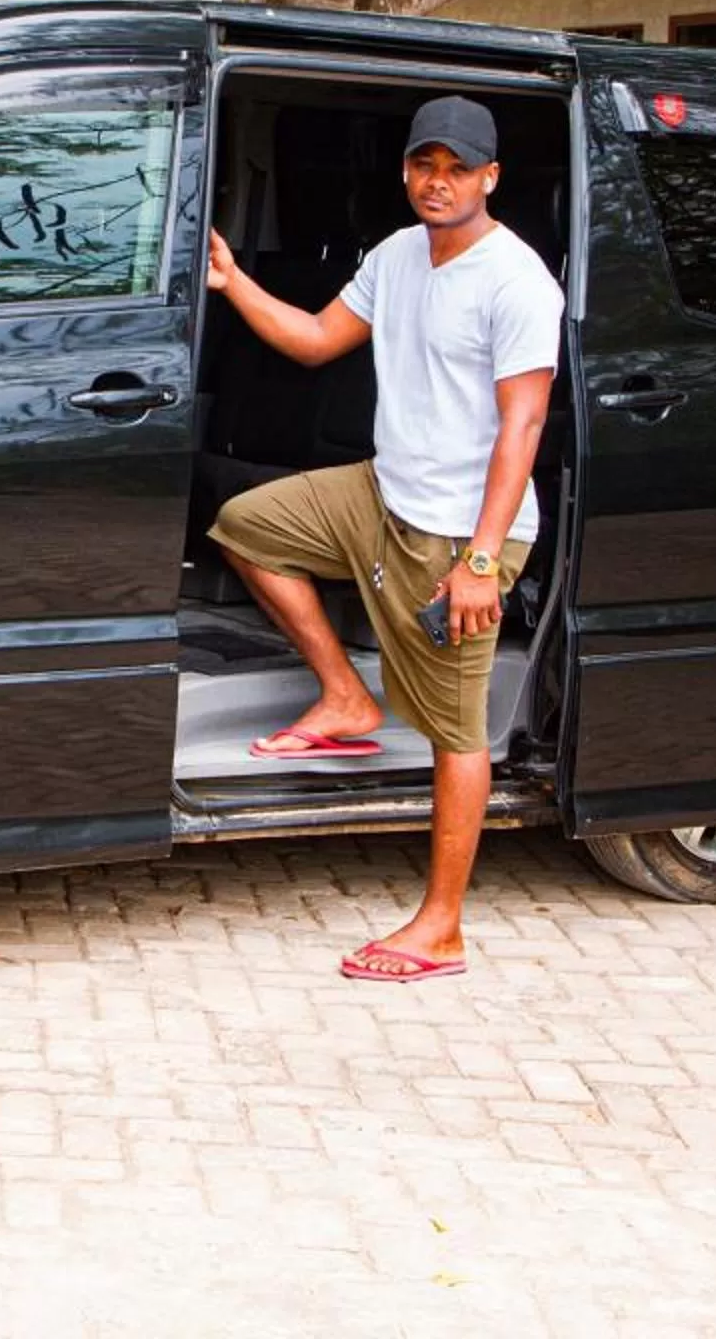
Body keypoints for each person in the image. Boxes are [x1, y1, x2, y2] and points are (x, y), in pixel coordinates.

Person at [203, 94, 563, 983]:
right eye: (423, 166)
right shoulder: (399, 253)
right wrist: (233, 281)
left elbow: (522, 427)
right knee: (246, 525)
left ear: (490, 178)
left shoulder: (517, 281)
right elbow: (316, 341)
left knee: (454, 732)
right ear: (405, 171)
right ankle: (346, 698)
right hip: (384, 490)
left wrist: (481, 562)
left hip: (459, 532)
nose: (437, 183)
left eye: (457, 169)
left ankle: (441, 928)